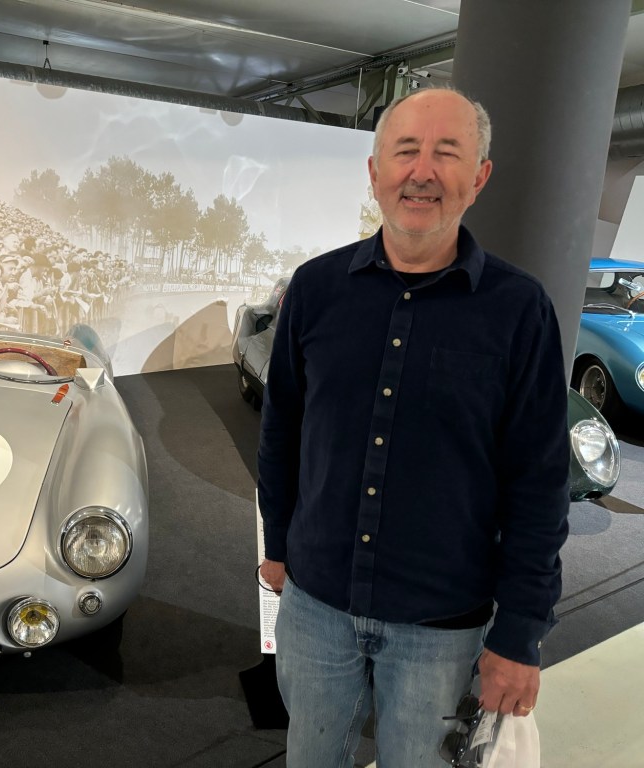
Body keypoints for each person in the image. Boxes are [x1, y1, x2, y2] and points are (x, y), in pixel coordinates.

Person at [257, 88, 570, 768]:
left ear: (479, 177)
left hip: (443, 625)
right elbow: (282, 431)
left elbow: (539, 484)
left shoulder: (520, 311)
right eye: (405, 152)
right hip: (316, 605)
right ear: (375, 172)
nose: (421, 172)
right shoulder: (314, 289)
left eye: (446, 153)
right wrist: (278, 543)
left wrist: (519, 634)